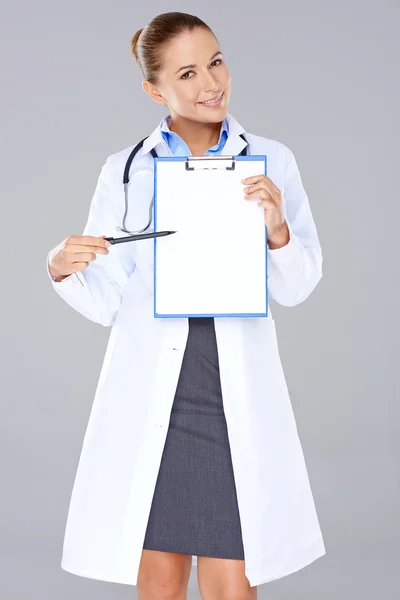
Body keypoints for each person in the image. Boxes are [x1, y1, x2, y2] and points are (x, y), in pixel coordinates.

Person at [47, 11, 325, 600]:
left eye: (217, 62)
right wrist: (62, 268)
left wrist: (277, 229)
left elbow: (298, 287)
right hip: (157, 390)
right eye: (189, 73)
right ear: (156, 91)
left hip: (230, 389)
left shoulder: (272, 159)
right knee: (161, 578)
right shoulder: (126, 171)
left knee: (230, 581)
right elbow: (105, 302)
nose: (211, 84)